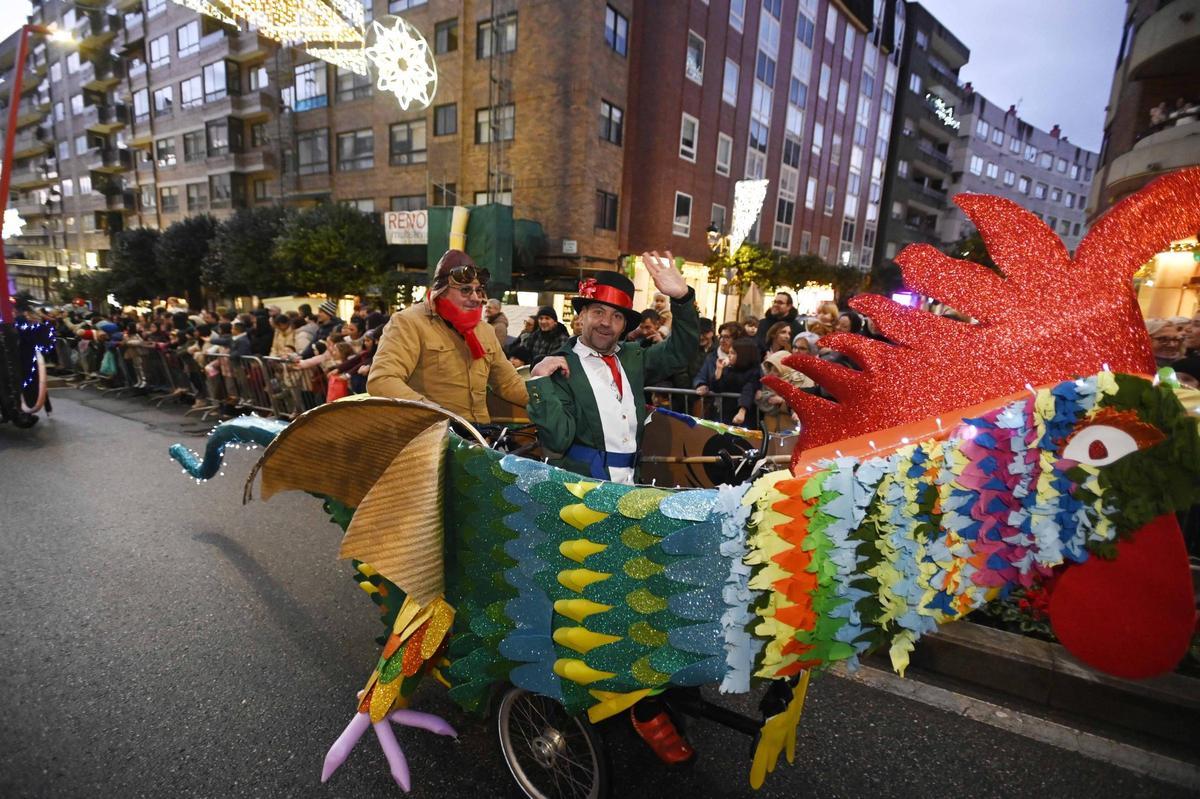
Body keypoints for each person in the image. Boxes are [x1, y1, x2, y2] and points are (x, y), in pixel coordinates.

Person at [525, 251, 698, 765]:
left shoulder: (635, 358)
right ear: (579, 315)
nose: (607, 323)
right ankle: (624, 701)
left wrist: (682, 297)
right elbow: (555, 437)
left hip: (635, 491)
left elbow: (686, 350)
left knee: (645, 592)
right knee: (603, 598)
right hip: (584, 493)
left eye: (618, 315)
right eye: (598, 312)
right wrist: (539, 382)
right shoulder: (559, 365)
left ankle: (640, 695)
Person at [367, 250, 528, 423]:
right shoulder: (409, 323)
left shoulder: (485, 331)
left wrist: (551, 402)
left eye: (478, 290)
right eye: (465, 290)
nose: (475, 298)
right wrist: (438, 415)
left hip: (479, 438)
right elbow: (382, 381)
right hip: (432, 439)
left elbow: (508, 383)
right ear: (441, 291)